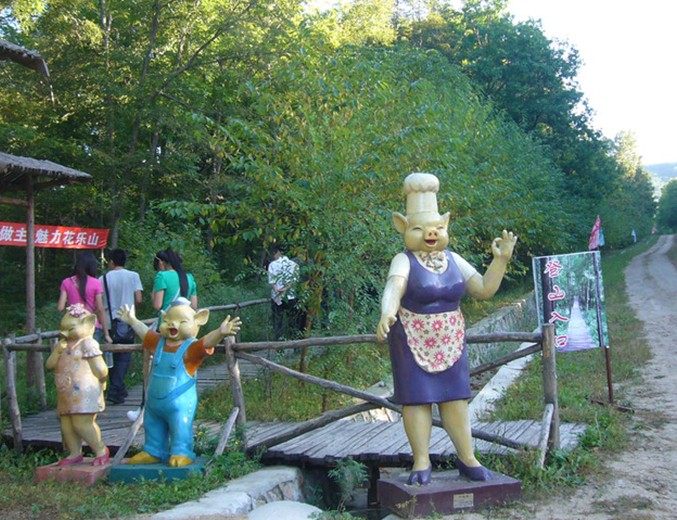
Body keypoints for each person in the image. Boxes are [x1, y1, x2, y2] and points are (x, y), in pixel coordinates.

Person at [377, 173, 517, 485]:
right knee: (417, 399)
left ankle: (468, 457)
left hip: (450, 338)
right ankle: (421, 461)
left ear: (446, 225)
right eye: (419, 229)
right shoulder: (403, 260)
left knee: (455, 398)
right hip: (411, 336)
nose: (431, 234)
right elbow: (394, 287)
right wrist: (387, 312)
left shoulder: (453, 259)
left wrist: (501, 261)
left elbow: (483, 289)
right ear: (402, 226)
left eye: (438, 228)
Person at [116, 298, 241, 467]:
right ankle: (153, 450)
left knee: (180, 426)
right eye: (167, 320)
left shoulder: (190, 348)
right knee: (152, 424)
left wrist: (220, 332)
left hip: (180, 402)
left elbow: (206, 342)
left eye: (182, 322)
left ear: (198, 321)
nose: (172, 324)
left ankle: (182, 451)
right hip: (154, 402)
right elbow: (146, 334)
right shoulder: (159, 343)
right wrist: (132, 320)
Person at [46, 304, 109, 466]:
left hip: (84, 391)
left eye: (70, 329)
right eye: (63, 329)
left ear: (88, 324)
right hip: (65, 391)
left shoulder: (88, 344)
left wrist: (102, 380)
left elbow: (101, 369)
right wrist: (57, 351)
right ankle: (74, 452)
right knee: (67, 424)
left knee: (82, 423)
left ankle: (100, 450)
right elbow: (49, 365)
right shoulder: (63, 345)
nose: (65, 333)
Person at [101, 248, 143, 405]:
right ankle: (116, 389)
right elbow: (139, 298)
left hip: (109, 321)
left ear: (111, 261)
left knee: (111, 356)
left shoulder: (103, 278)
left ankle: (117, 389)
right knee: (125, 355)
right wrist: (132, 308)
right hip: (127, 319)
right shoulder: (133, 276)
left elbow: (100, 300)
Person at [57, 251, 112, 345]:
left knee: (73, 353)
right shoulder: (96, 283)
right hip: (91, 326)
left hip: (73, 327)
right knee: (90, 353)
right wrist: (107, 334)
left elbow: (60, 307)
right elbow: (100, 309)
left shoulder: (66, 282)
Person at [267, 246, 301, 340]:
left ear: (278, 252)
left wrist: (277, 291)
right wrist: (285, 289)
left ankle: (278, 342)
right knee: (293, 321)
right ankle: (294, 341)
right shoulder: (294, 265)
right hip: (291, 296)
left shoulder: (272, 265)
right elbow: (294, 281)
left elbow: (272, 281)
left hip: (277, 297)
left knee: (277, 321)